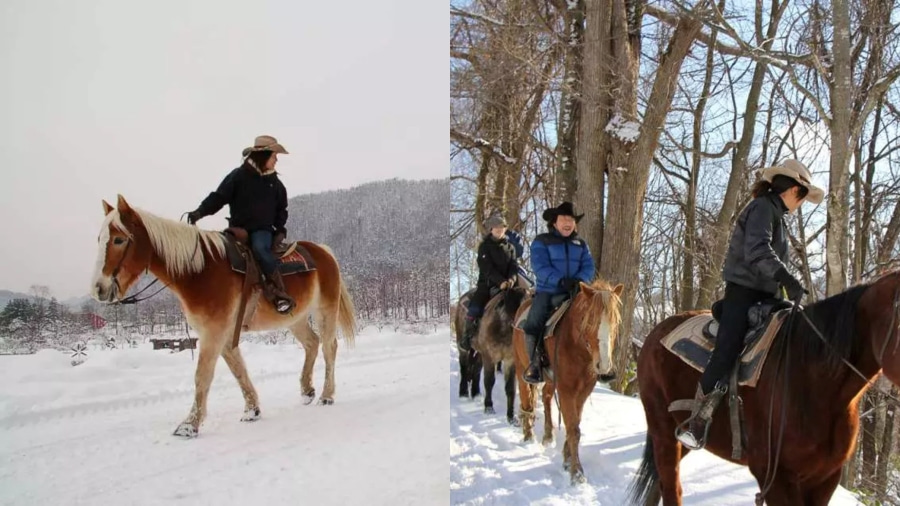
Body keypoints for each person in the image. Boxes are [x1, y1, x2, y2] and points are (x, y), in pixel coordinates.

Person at [676, 159, 824, 450]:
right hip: (743, 294)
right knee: (727, 350)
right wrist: (786, 277)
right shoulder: (761, 208)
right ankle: (697, 421)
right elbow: (757, 250)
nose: (803, 203)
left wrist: (784, 286)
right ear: (795, 189)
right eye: (804, 196)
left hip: (768, 297)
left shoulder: (778, 216)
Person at [186, 135, 296, 314]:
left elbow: (282, 209)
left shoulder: (275, 184)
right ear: (264, 155)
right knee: (218, 251)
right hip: (238, 229)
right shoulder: (238, 176)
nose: (276, 160)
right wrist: (200, 212)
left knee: (261, 249)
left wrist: (279, 229)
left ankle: (278, 293)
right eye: (274, 156)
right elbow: (219, 197)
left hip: (262, 231)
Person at [522, 202, 595, 384]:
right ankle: (534, 365)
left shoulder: (581, 244)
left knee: (599, 319)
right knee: (533, 322)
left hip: (577, 292)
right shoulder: (542, 241)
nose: (567, 222)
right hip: (548, 291)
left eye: (570, 219)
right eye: (563, 219)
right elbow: (540, 266)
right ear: (554, 222)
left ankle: (601, 363)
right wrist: (560, 280)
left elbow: (589, 266)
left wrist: (579, 281)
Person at [460, 212, 519, 352]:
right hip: (487, 285)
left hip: (508, 287)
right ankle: (468, 336)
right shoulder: (484, 247)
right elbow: (487, 268)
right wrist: (500, 282)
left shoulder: (511, 247)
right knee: (475, 307)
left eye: (502, 227)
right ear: (491, 229)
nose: (499, 229)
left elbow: (514, 266)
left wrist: (511, 280)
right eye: (496, 227)